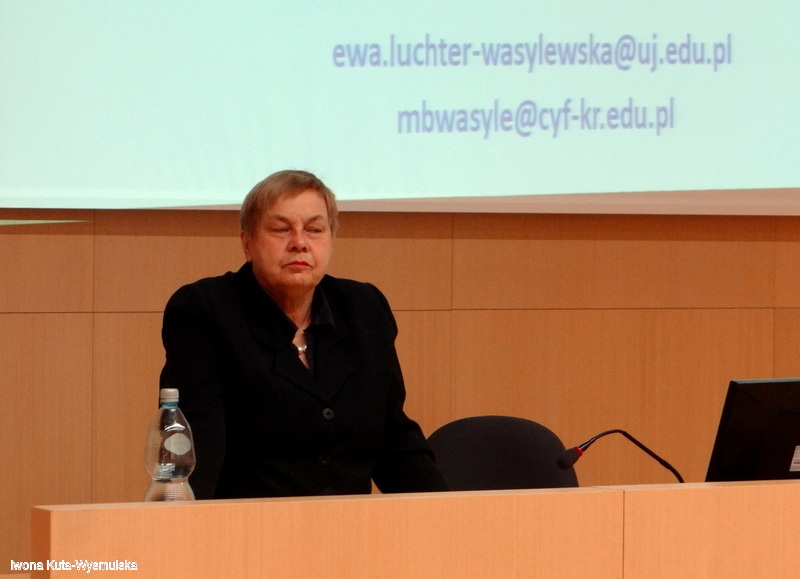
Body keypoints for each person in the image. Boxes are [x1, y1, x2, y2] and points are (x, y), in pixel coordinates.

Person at [159, 169, 448, 499]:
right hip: (247, 523)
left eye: (314, 229)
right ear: (248, 243)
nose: (299, 242)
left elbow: (393, 439)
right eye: (281, 229)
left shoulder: (363, 309)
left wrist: (447, 512)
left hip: (351, 523)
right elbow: (197, 447)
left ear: (331, 239)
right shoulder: (206, 311)